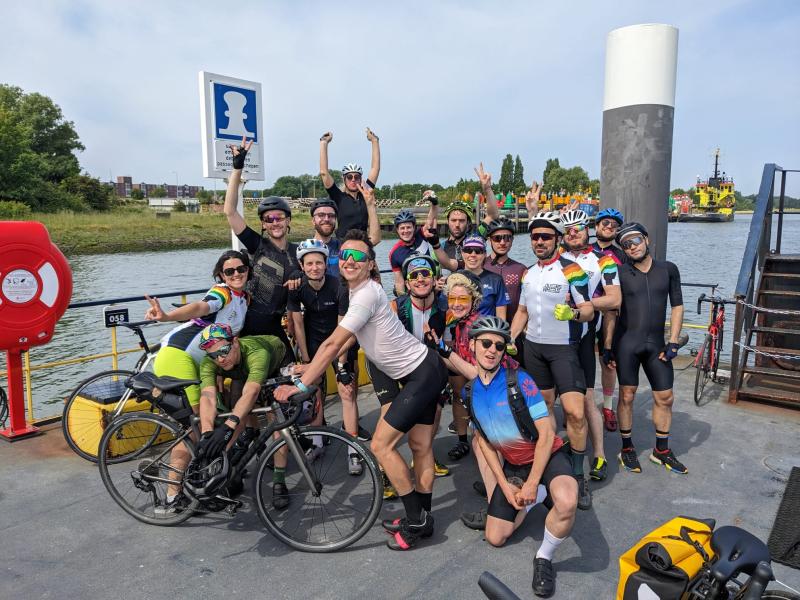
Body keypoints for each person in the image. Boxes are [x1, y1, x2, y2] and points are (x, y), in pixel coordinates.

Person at [274, 227, 448, 551]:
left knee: (382, 446)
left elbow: (332, 343)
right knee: (421, 447)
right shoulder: (358, 293)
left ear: (371, 264)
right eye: (345, 255)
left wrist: (301, 383)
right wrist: (309, 368)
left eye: (359, 256)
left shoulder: (366, 293)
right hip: (424, 369)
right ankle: (423, 517)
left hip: (422, 373)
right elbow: (351, 337)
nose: (350, 260)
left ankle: (416, 521)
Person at [434, 316, 578, 599]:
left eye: (499, 346)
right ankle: (536, 498)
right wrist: (503, 484)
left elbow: (547, 435)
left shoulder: (520, 381)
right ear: (472, 345)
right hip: (514, 465)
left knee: (567, 501)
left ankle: (544, 558)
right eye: (486, 343)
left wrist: (530, 482)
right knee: (496, 537)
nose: (491, 350)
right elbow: (484, 442)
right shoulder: (469, 392)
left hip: (546, 456)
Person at [142, 250, 250, 514]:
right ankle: (170, 498)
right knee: (194, 427)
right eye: (229, 271)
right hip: (179, 356)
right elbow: (201, 307)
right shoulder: (222, 293)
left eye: (241, 269)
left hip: (203, 361)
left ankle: (202, 482)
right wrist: (167, 316)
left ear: (248, 270)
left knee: (210, 420)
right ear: (221, 276)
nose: (236, 274)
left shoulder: (244, 298)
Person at [509, 211, 595, 510]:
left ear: (557, 239)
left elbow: (588, 310)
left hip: (564, 349)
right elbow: (521, 311)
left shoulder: (572, 270)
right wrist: (510, 338)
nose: (540, 241)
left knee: (575, 413)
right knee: (542, 412)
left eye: (546, 236)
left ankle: (579, 473)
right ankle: (544, 462)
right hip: (534, 349)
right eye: (535, 237)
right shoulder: (528, 273)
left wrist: (572, 313)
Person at [605, 222, 687, 475]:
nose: (632, 247)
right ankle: (627, 449)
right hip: (627, 343)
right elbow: (610, 311)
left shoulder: (668, 269)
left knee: (665, 397)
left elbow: (677, 306)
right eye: (626, 244)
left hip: (657, 344)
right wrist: (607, 347)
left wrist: (673, 341)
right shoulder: (618, 272)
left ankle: (661, 451)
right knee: (627, 395)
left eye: (636, 240)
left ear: (647, 240)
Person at [287, 239, 369, 475]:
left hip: (339, 339)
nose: (315, 268)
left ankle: (353, 449)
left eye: (319, 263)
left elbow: (342, 326)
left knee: (347, 391)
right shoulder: (297, 288)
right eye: (309, 264)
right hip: (313, 341)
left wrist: (341, 364)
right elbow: (298, 325)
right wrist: (305, 359)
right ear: (302, 267)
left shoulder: (339, 287)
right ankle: (318, 442)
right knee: (314, 391)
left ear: (326, 264)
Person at [559, 209, 622, 483]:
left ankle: (599, 454)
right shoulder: (553, 259)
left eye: (578, 228)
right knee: (547, 400)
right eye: (568, 230)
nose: (573, 233)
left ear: (588, 230)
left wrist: (581, 305)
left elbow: (615, 300)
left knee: (585, 400)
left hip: (582, 337)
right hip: (551, 339)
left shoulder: (603, 260)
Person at [223, 139, 299, 361]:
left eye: (279, 218)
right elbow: (230, 212)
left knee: (290, 373)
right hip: (250, 323)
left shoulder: (298, 251)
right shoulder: (257, 245)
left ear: (288, 221)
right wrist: (238, 168)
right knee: (247, 380)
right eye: (269, 219)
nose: (275, 222)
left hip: (276, 323)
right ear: (264, 224)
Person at [195, 324, 287, 505]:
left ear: (235, 342)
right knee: (236, 407)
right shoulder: (211, 361)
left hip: (275, 361)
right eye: (213, 355)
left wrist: (229, 426)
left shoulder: (256, 352)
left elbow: (252, 391)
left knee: (276, 419)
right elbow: (207, 397)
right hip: (241, 370)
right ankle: (236, 463)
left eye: (223, 351)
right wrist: (207, 433)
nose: (220, 359)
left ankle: (279, 481)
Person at [390, 252, 451, 481]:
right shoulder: (397, 306)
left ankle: (424, 455)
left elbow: (449, 345)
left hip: (432, 367)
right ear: (407, 283)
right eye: (414, 275)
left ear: (435, 279)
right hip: (401, 368)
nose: (421, 279)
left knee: (434, 412)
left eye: (426, 273)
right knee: (397, 419)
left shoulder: (445, 307)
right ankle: (387, 469)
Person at [424, 163, 500, 276]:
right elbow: (434, 276)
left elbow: (493, 215)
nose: (457, 224)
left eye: (462, 220)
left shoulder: (477, 237)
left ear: (468, 222)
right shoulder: (440, 247)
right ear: (447, 222)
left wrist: (487, 189)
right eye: (453, 220)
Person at [591, 207, 626, 432]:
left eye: (613, 225)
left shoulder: (621, 255)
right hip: (584, 312)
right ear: (596, 226)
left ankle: (607, 406)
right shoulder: (584, 249)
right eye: (605, 223)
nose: (609, 227)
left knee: (608, 362)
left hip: (609, 313)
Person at [319, 129, 381, 243]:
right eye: (349, 177)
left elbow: (375, 169)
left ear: (360, 179)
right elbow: (324, 172)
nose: (353, 180)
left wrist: (374, 141)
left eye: (356, 177)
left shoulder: (365, 195)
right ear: (344, 179)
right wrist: (324, 143)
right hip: (342, 246)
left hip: (362, 245)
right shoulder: (338, 197)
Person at [432, 231, 510, 319]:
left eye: (478, 251)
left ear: (485, 254)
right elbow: (442, 311)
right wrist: (435, 291)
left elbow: (501, 318)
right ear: (462, 253)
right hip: (457, 331)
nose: (473, 255)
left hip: (485, 330)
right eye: (468, 250)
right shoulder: (452, 279)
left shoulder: (496, 280)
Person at [483, 216, 528, 363]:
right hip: (485, 334)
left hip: (514, 334)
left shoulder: (521, 269)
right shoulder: (480, 266)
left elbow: (527, 305)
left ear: (512, 240)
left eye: (507, 238)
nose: (502, 242)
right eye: (497, 238)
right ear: (490, 239)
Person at [388, 192, 438, 295]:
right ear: (397, 230)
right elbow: (399, 281)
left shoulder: (421, 235)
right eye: (402, 228)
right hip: (413, 290)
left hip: (430, 285)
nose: (406, 231)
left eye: (408, 227)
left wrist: (434, 202)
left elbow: (431, 218)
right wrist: (401, 301)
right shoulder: (394, 253)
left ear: (414, 227)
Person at [308, 198, 342, 276]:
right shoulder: (303, 248)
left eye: (331, 216)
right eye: (321, 215)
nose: (327, 219)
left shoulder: (343, 246)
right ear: (313, 221)